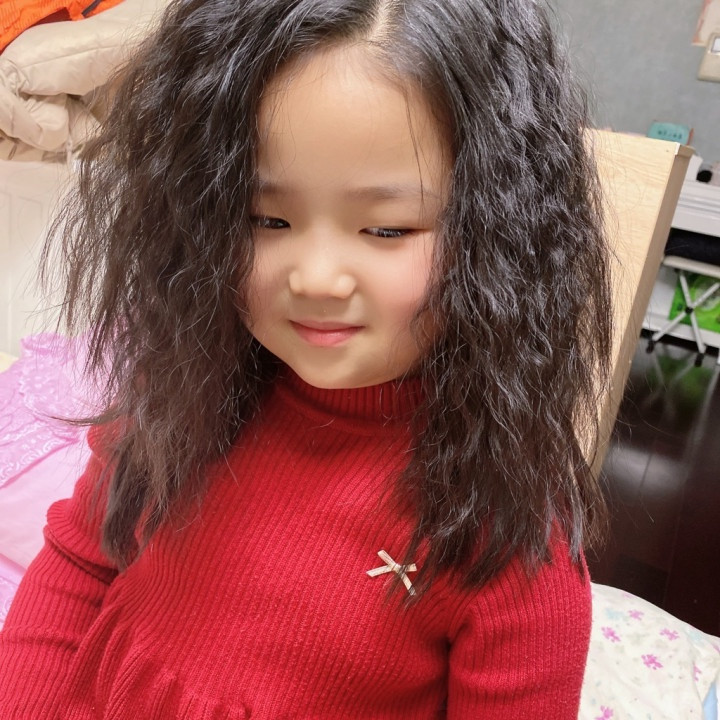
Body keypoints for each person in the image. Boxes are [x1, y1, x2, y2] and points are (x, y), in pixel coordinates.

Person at [0, 0, 612, 717]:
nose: (316, 278)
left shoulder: (507, 533)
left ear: (500, 237)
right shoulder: (182, 392)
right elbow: (79, 564)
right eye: (266, 219)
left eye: (387, 229)